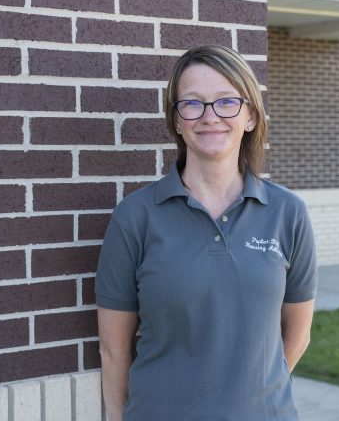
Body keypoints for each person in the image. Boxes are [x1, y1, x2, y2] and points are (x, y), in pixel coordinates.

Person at [95, 45, 318, 421]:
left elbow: (297, 336)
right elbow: (113, 351)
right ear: (176, 120)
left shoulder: (288, 213)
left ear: (250, 116)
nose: (210, 116)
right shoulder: (134, 218)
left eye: (227, 101)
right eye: (193, 103)